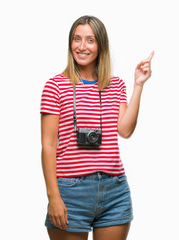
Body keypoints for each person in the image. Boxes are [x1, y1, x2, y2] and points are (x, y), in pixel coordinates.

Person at [40, 15, 154, 240]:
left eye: (90, 40)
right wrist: (53, 196)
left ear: (101, 45)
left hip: (115, 189)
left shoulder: (116, 84)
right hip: (71, 190)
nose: (82, 47)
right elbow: (48, 145)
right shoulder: (55, 85)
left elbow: (125, 130)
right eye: (77, 39)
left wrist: (138, 85)